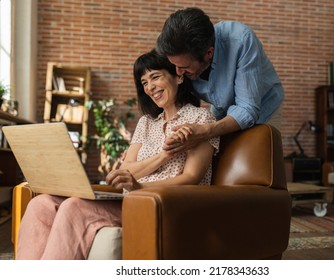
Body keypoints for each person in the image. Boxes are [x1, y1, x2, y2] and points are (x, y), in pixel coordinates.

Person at [15, 49, 219, 260]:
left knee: (74, 207)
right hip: (130, 200)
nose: (150, 87)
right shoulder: (146, 123)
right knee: (41, 204)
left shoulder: (200, 119)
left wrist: (140, 187)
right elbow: (125, 170)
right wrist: (165, 155)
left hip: (164, 203)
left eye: (155, 77)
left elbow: (191, 178)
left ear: (178, 75)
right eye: (144, 83)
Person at [156, 7, 284, 154]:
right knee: (220, 161)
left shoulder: (241, 40)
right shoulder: (175, 54)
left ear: (208, 53)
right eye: (174, 65)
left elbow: (247, 109)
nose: (178, 72)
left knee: (260, 161)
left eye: (184, 67)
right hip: (221, 109)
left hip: (264, 106)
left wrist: (206, 130)